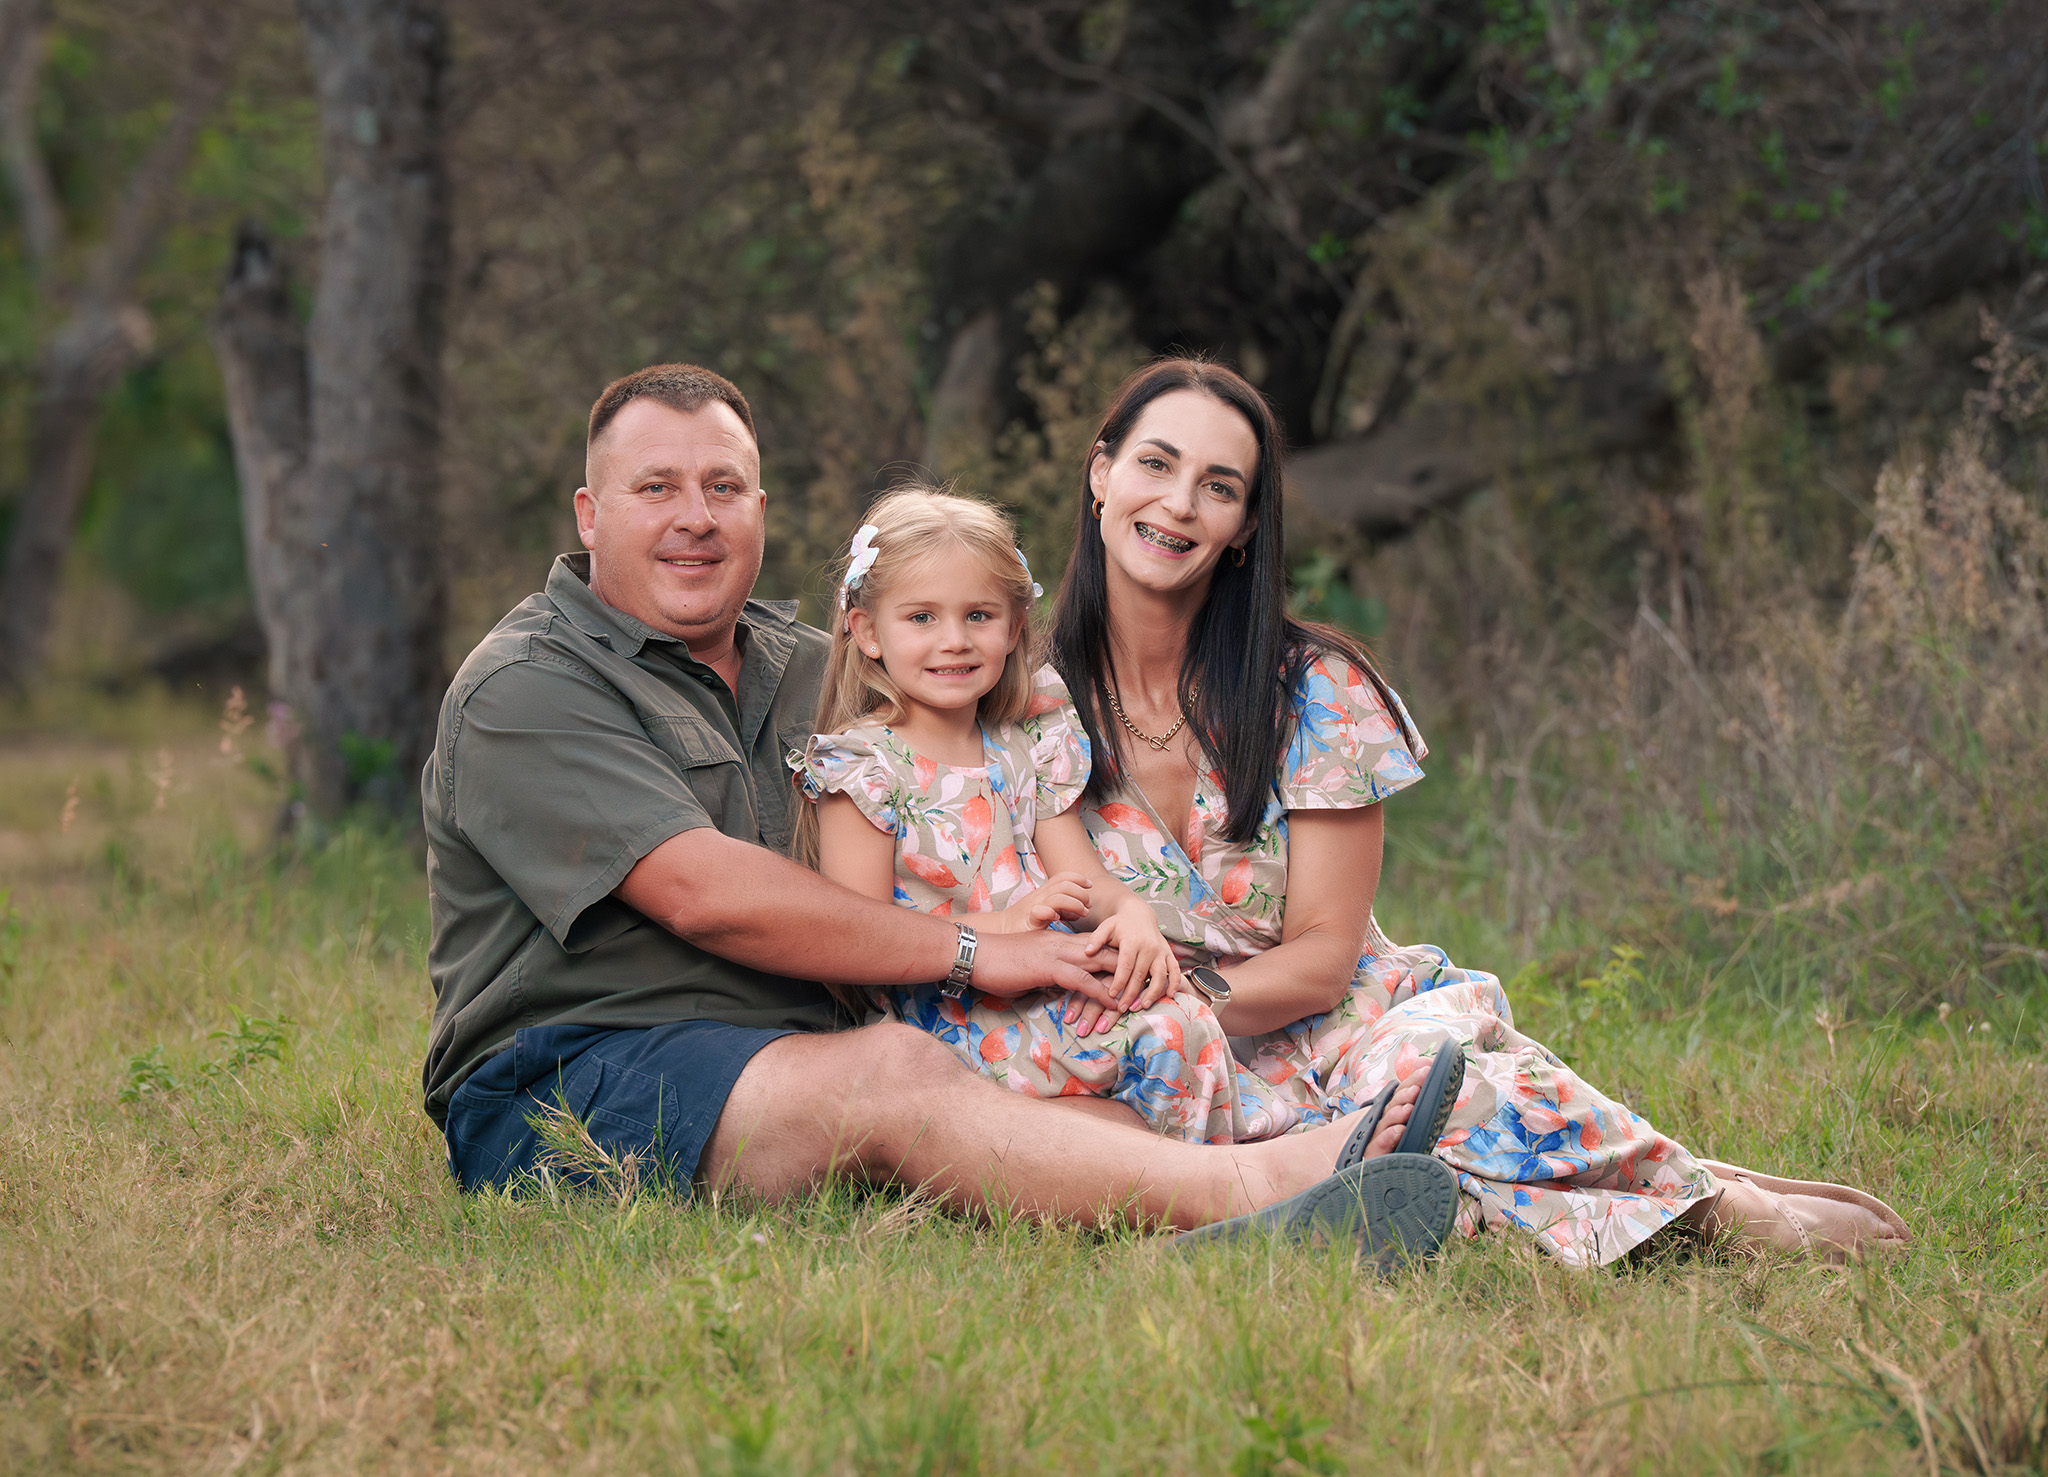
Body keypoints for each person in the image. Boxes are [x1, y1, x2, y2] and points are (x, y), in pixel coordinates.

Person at [419, 362, 1460, 1262]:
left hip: (792, 1048)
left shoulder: (818, 673)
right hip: (580, 1074)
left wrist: (1117, 932)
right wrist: (975, 950)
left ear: (760, 511)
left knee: (1034, 1073)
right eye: (656, 487)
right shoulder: (527, 686)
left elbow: (998, 766)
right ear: (589, 514)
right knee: (893, 1073)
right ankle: (1263, 1190)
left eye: (723, 487)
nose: (695, 516)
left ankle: (1208, 1226)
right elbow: (706, 896)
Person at [1042, 355, 1913, 1266]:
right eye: (1155, 464)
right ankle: (1632, 1200)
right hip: (1175, 1059)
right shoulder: (1026, 712)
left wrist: (1186, 999)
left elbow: (1321, 961)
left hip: (1338, 1025)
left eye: (1217, 486)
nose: (1178, 503)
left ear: (1246, 525)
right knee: (1407, 1187)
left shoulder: (1315, 693)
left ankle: (1711, 1208)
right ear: (1102, 473)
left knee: (1430, 1084)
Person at [790, 484, 1244, 1143]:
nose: (954, 640)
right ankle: (1189, 1182)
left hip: (1045, 984)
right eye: (921, 618)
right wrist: (1001, 927)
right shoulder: (864, 767)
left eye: (979, 615)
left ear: (1012, 627)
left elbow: (1086, 884)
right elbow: (857, 944)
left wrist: (1132, 916)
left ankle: (1219, 1177)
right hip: (944, 1020)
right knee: (1165, 1038)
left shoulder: (1027, 741)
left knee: (1183, 1019)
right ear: (868, 631)